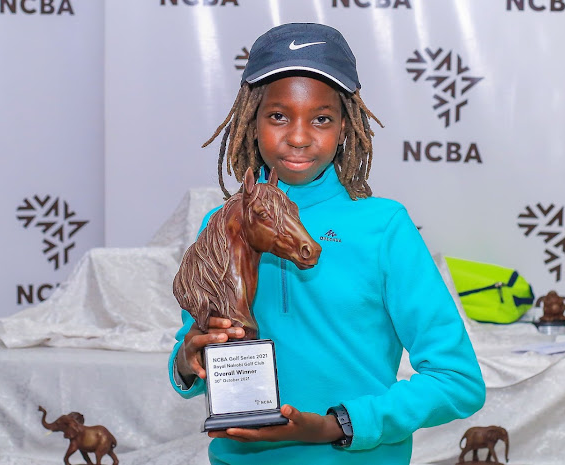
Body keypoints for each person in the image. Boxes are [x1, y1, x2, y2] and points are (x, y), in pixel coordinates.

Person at [168, 22, 485, 465]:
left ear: (345, 126)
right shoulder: (222, 224)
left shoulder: (384, 226)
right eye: (279, 115)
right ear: (251, 120)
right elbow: (196, 354)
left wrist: (338, 424)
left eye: (321, 118)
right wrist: (187, 360)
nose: (298, 136)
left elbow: (458, 381)